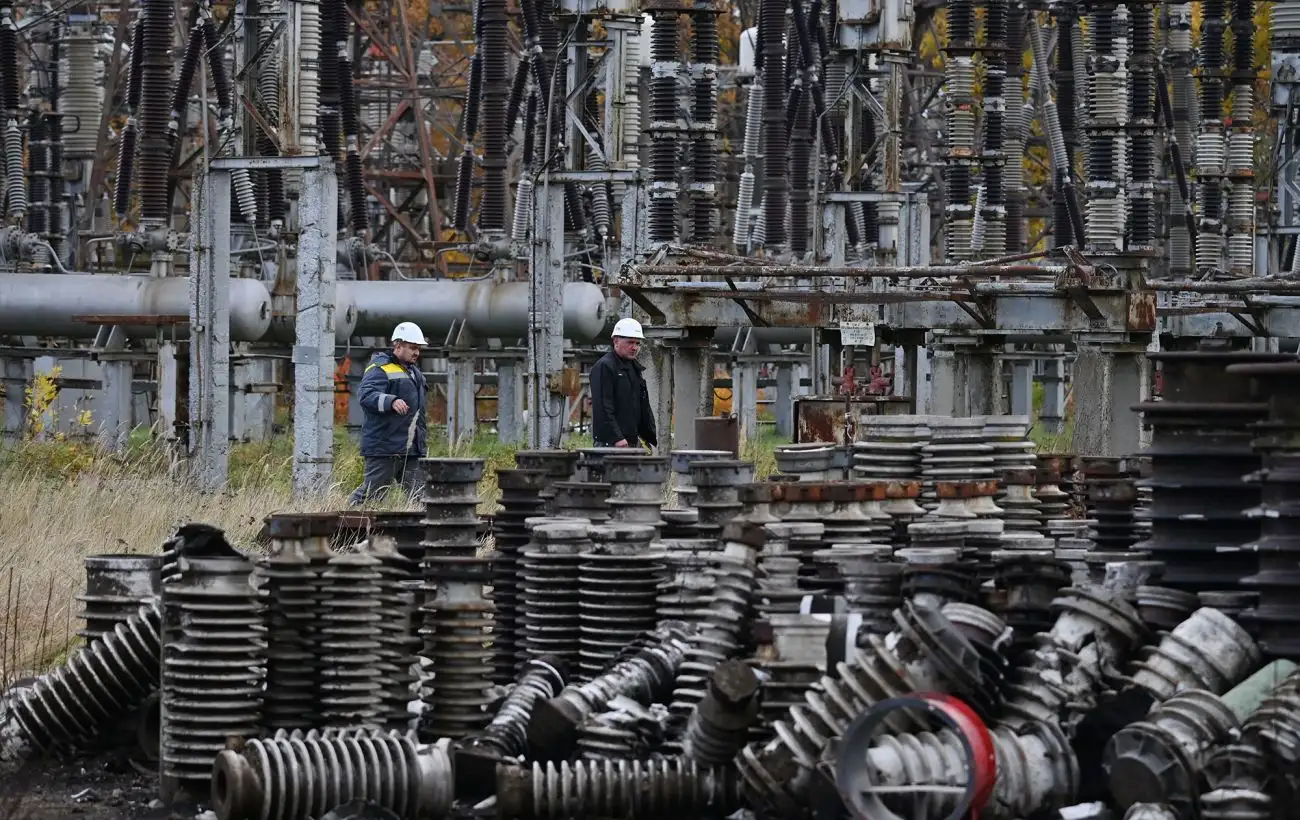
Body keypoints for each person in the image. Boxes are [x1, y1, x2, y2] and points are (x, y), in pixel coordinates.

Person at [349, 321, 430, 505]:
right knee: (371, 496)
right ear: (398, 345)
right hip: (385, 448)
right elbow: (366, 395)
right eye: (413, 348)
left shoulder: (414, 373)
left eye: (418, 349)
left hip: (411, 448)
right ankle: (346, 528)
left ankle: (421, 532)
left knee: (422, 498)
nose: (417, 352)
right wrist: (390, 401)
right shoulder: (379, 369)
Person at [589, 317, 658, 449]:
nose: (635, 347)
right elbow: (603, 406)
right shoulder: (604, 367)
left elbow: (641, 405)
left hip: (630, 440)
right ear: (616, 341)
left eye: (638, 343)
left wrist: (646, 435)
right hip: (612, 444)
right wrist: (616, 438)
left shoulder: (633, 368)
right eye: (630, 342)